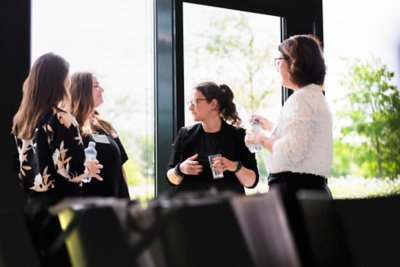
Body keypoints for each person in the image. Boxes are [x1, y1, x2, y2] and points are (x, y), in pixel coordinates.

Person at [245, 34, 333, 266]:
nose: (276, 67)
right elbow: (304, 141)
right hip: (308, 190)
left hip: (294, 191)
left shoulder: (301, 100)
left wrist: (260, 138)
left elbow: (293, 151)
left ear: (294, 62)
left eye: (279, 60)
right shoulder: (313, 97)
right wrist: (271, 127)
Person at [11, 53, 102, 266]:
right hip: (62, 210)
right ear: (58, 81)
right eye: (66, 77)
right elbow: (69, 170)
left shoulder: (21, 120)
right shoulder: (61, 118)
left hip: (33, 208)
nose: (68, 82)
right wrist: (87, 168)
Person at [167, 81, 259, 194]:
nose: (190, 107)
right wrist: (180, 169)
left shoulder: (239, 136)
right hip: (191, 209)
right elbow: (170, 179)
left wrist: (234, 166)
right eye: (189, 102)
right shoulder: (185, 134)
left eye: (195, 102)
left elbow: (252, 182)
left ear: (213, 104)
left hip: (226, 208)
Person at [69, 71, 130, 198]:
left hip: (116, 208)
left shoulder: (106, 126)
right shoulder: (69, 127)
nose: (102, 90)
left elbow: (120, 169)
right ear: (81, 91)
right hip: (87, 209)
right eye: (96, 86)